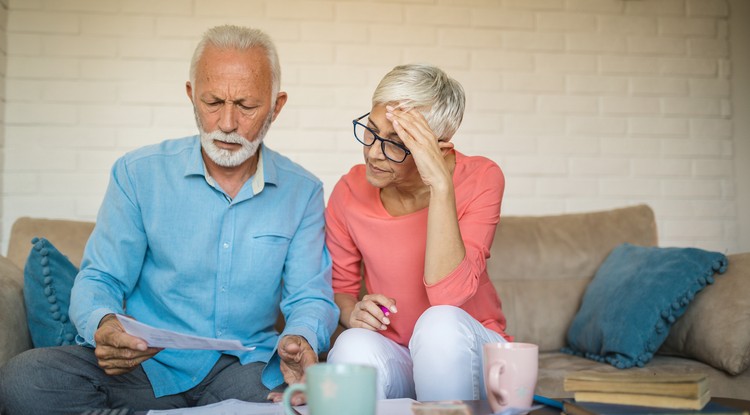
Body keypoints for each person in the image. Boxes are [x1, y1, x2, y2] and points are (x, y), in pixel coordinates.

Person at [0, 25, 338, 414]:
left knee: (292, 406)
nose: (227, 123)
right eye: (213, 102)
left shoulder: (303, 191)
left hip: (243, 372)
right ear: (192, 96)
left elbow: (309, 297)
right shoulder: (137, 173)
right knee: (23, 381)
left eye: (246, 106)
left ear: (276, 107)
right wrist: (104, 323)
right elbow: (102, 278)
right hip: (144, 366)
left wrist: (301, 337)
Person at [324, 64, 512, 401]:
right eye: (371, 130)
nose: (373, 152)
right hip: (401, 353)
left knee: (439, 325)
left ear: (437, 149)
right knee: (352, 345)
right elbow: (342, 290)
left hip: (474, 353)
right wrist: (352, 311)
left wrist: (440, 184)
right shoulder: (348, 191)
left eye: (397, 143)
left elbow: (448, 297)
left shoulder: (482, 177)